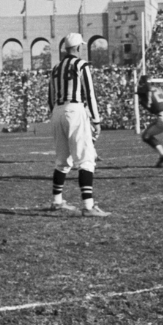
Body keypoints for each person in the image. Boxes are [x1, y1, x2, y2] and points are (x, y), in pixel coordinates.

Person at [47, 32, 108, 217]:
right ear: (79, 48)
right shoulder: (81, 65)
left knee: (62, 160)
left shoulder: (56, 68)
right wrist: (96, 120)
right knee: (86, 159)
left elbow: (50, 97)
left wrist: (55, 114)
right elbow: (89, 93)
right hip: (75, 110)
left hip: (57, 111)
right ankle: (88, 206)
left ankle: (57, 201)